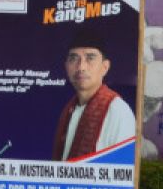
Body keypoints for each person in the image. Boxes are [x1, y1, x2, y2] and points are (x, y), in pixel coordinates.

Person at [51, 29, 136, 160]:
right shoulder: (69, 111)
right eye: (74, 58)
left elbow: (122, 170)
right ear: (66, 66)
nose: (81, 67)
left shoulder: (118, 111)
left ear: (105, 67)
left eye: (90, 58)